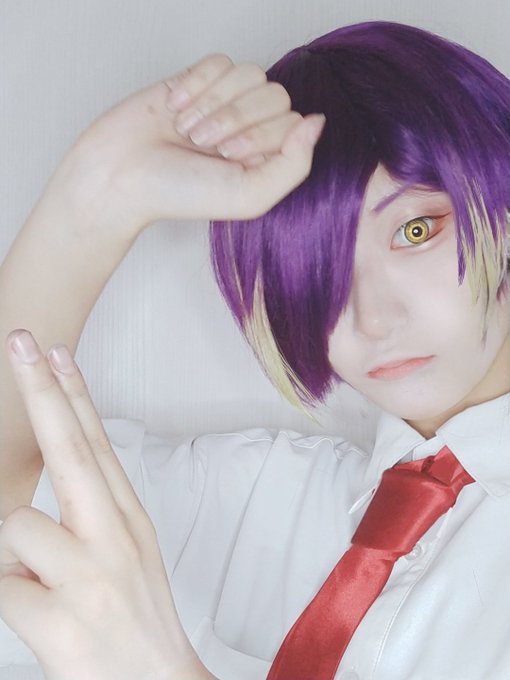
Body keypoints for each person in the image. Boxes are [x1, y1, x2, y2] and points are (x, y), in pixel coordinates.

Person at [0, 18, 509, 680]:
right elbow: (14, 503)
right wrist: (94, 198)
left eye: (415, 230)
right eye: (318, 271)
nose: (373, 319)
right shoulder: (264, 499)